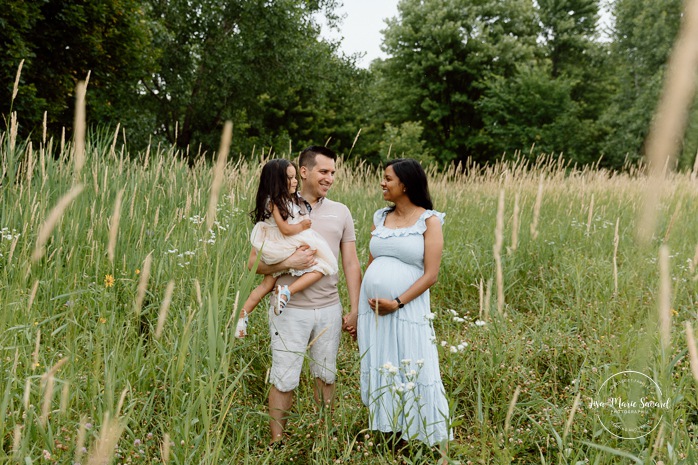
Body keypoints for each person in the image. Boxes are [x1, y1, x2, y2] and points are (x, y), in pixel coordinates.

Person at [246, 146, 361, 444]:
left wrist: (355, 308)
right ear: (305, 171)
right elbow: (254, 264)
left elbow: (350, 262)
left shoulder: (341, 212)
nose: (330, 178)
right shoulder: (281, 208)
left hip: (329, 310)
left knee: (326, 376)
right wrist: (288, 263)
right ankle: (277, 441)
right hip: (289, 311)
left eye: (333, 173)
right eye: (324, 171)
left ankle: (325, 437)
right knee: (284, 377)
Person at [352, 158, 451, 448]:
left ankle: (420, 435)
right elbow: (370, 264)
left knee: (411, 364)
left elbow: (431, 274)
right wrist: (357, 312)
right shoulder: (380, 217)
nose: (382, 183)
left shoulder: (429, 220)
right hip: (374, 313)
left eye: (388, 179)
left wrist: (397, 301)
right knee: (383, 364)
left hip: (406, 310)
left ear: (406, 184)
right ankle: (388, 431)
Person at [235, 159, 338, 338]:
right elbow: (285, 229)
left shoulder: (278, 200)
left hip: (274, 245)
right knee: (323, 265)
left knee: (266, 284)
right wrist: (303, 226)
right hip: (285, 242)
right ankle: (287, 291)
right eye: (289, 178)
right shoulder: (276, 202)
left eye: (294, 176)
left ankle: (241, 317)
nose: (295, 181)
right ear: (277, 182)